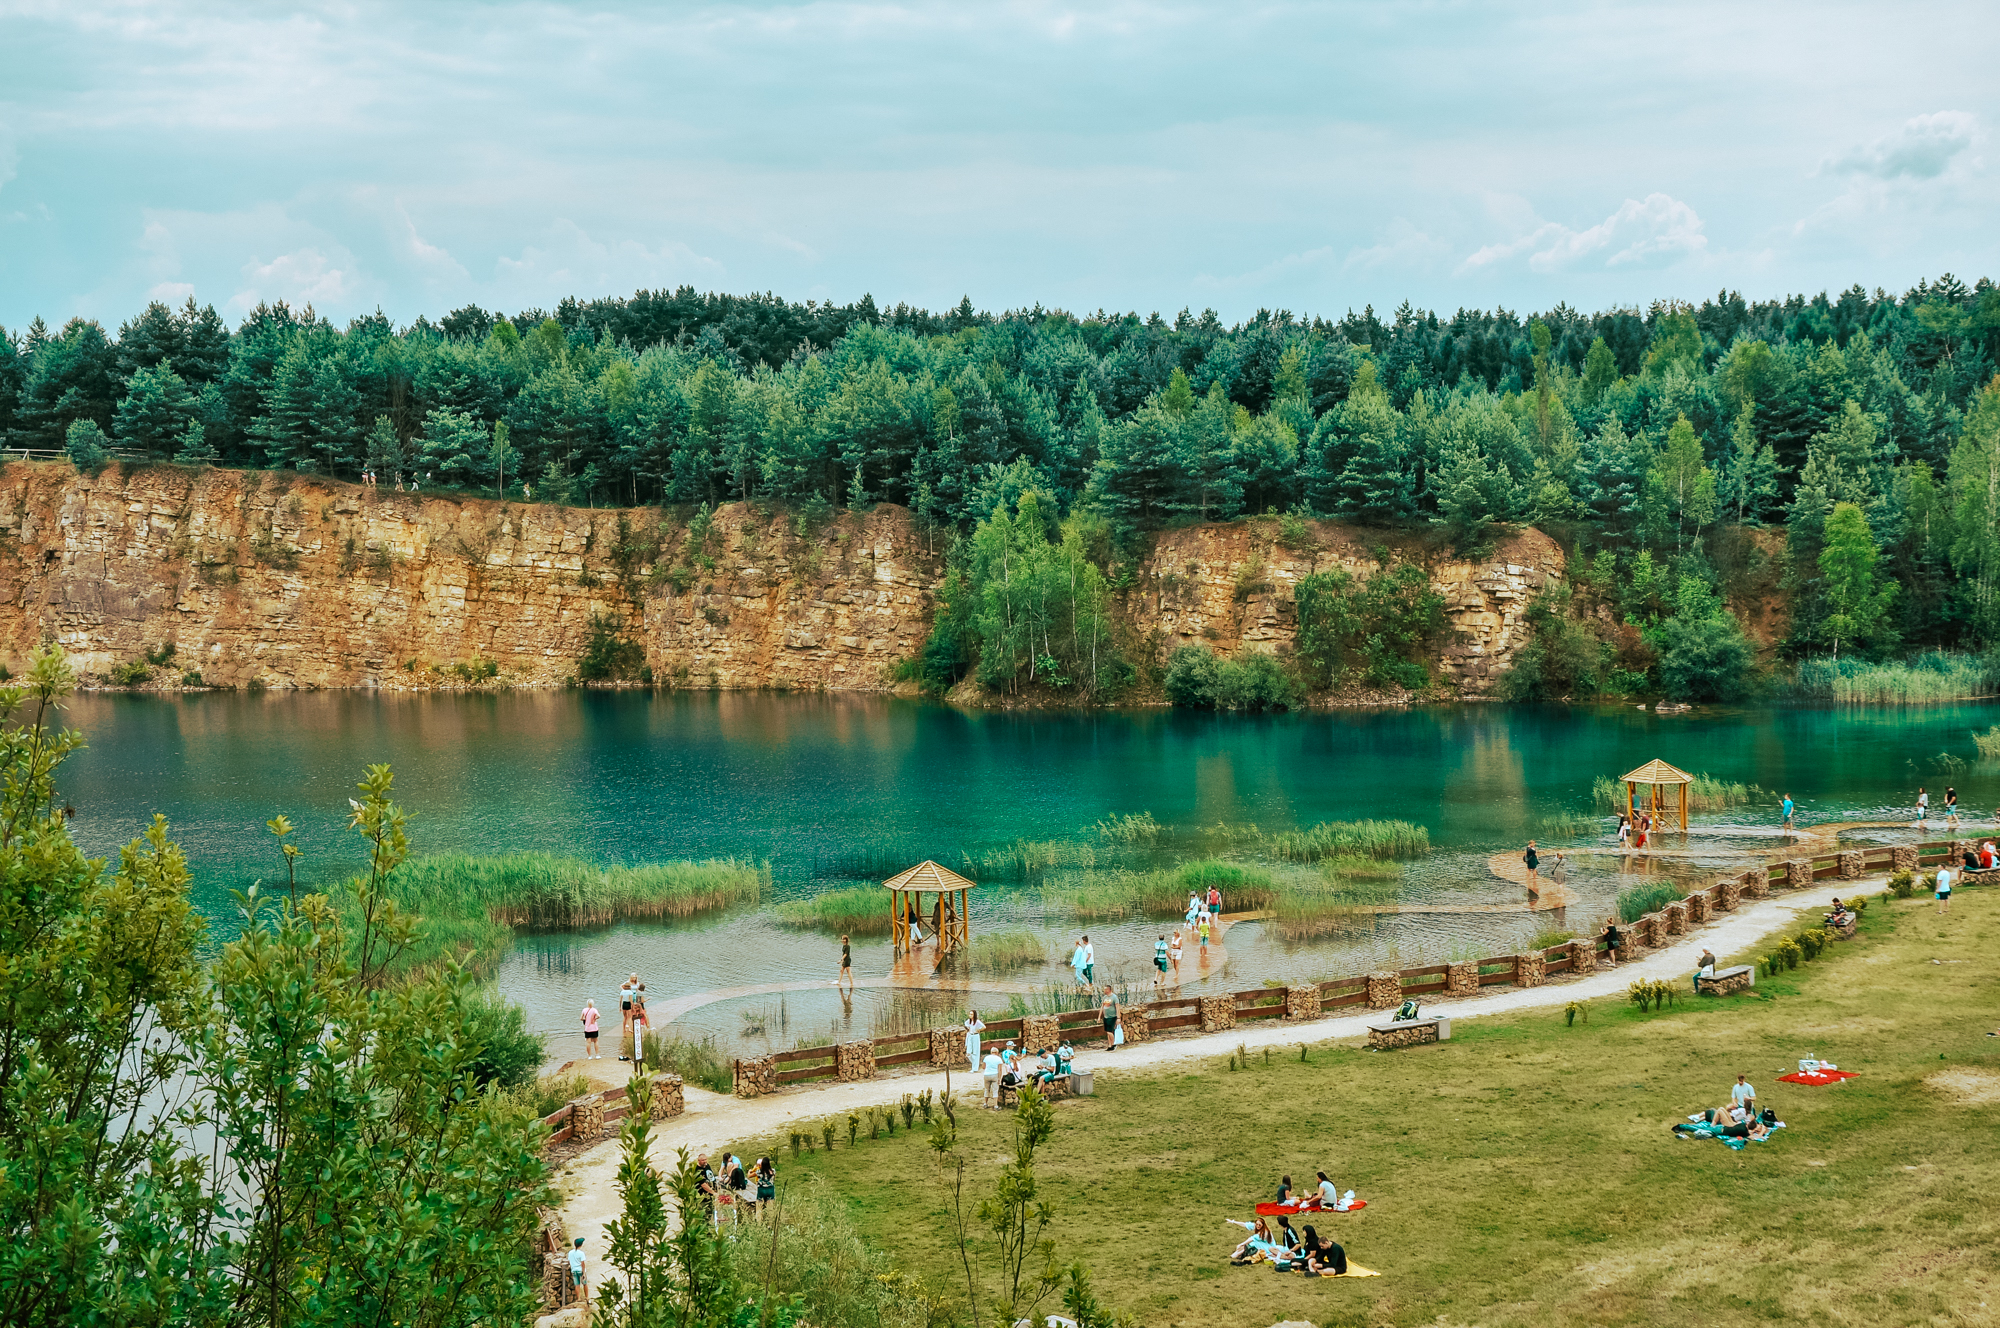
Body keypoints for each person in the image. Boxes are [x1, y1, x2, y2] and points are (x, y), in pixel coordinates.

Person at [568, 1236, 589, 1315]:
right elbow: (582, 1264)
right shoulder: (581, 1253)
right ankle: (587, 1298)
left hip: (574, 1270)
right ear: (581, 1245)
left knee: (577, 1285)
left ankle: (578, 1298)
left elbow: (569, 1261)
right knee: (584, 1284)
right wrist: (584, 1273)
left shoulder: (570, 1252)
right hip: (580, 1270)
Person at [1100, 983, 1120, 1051]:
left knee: (1109, 1031)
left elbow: (1117, 1007)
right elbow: (1102, 1007)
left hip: (1112, 1016)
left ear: (1109, 990)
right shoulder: (1105, 997)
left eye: (1105, 989)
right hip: (1106, 1016)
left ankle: (1114, 1043)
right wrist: (1099, 1016)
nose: (1104, 990)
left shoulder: (1114, 997)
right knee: (1107, 1031)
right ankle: (1110, 1045)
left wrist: (1118, 1017)